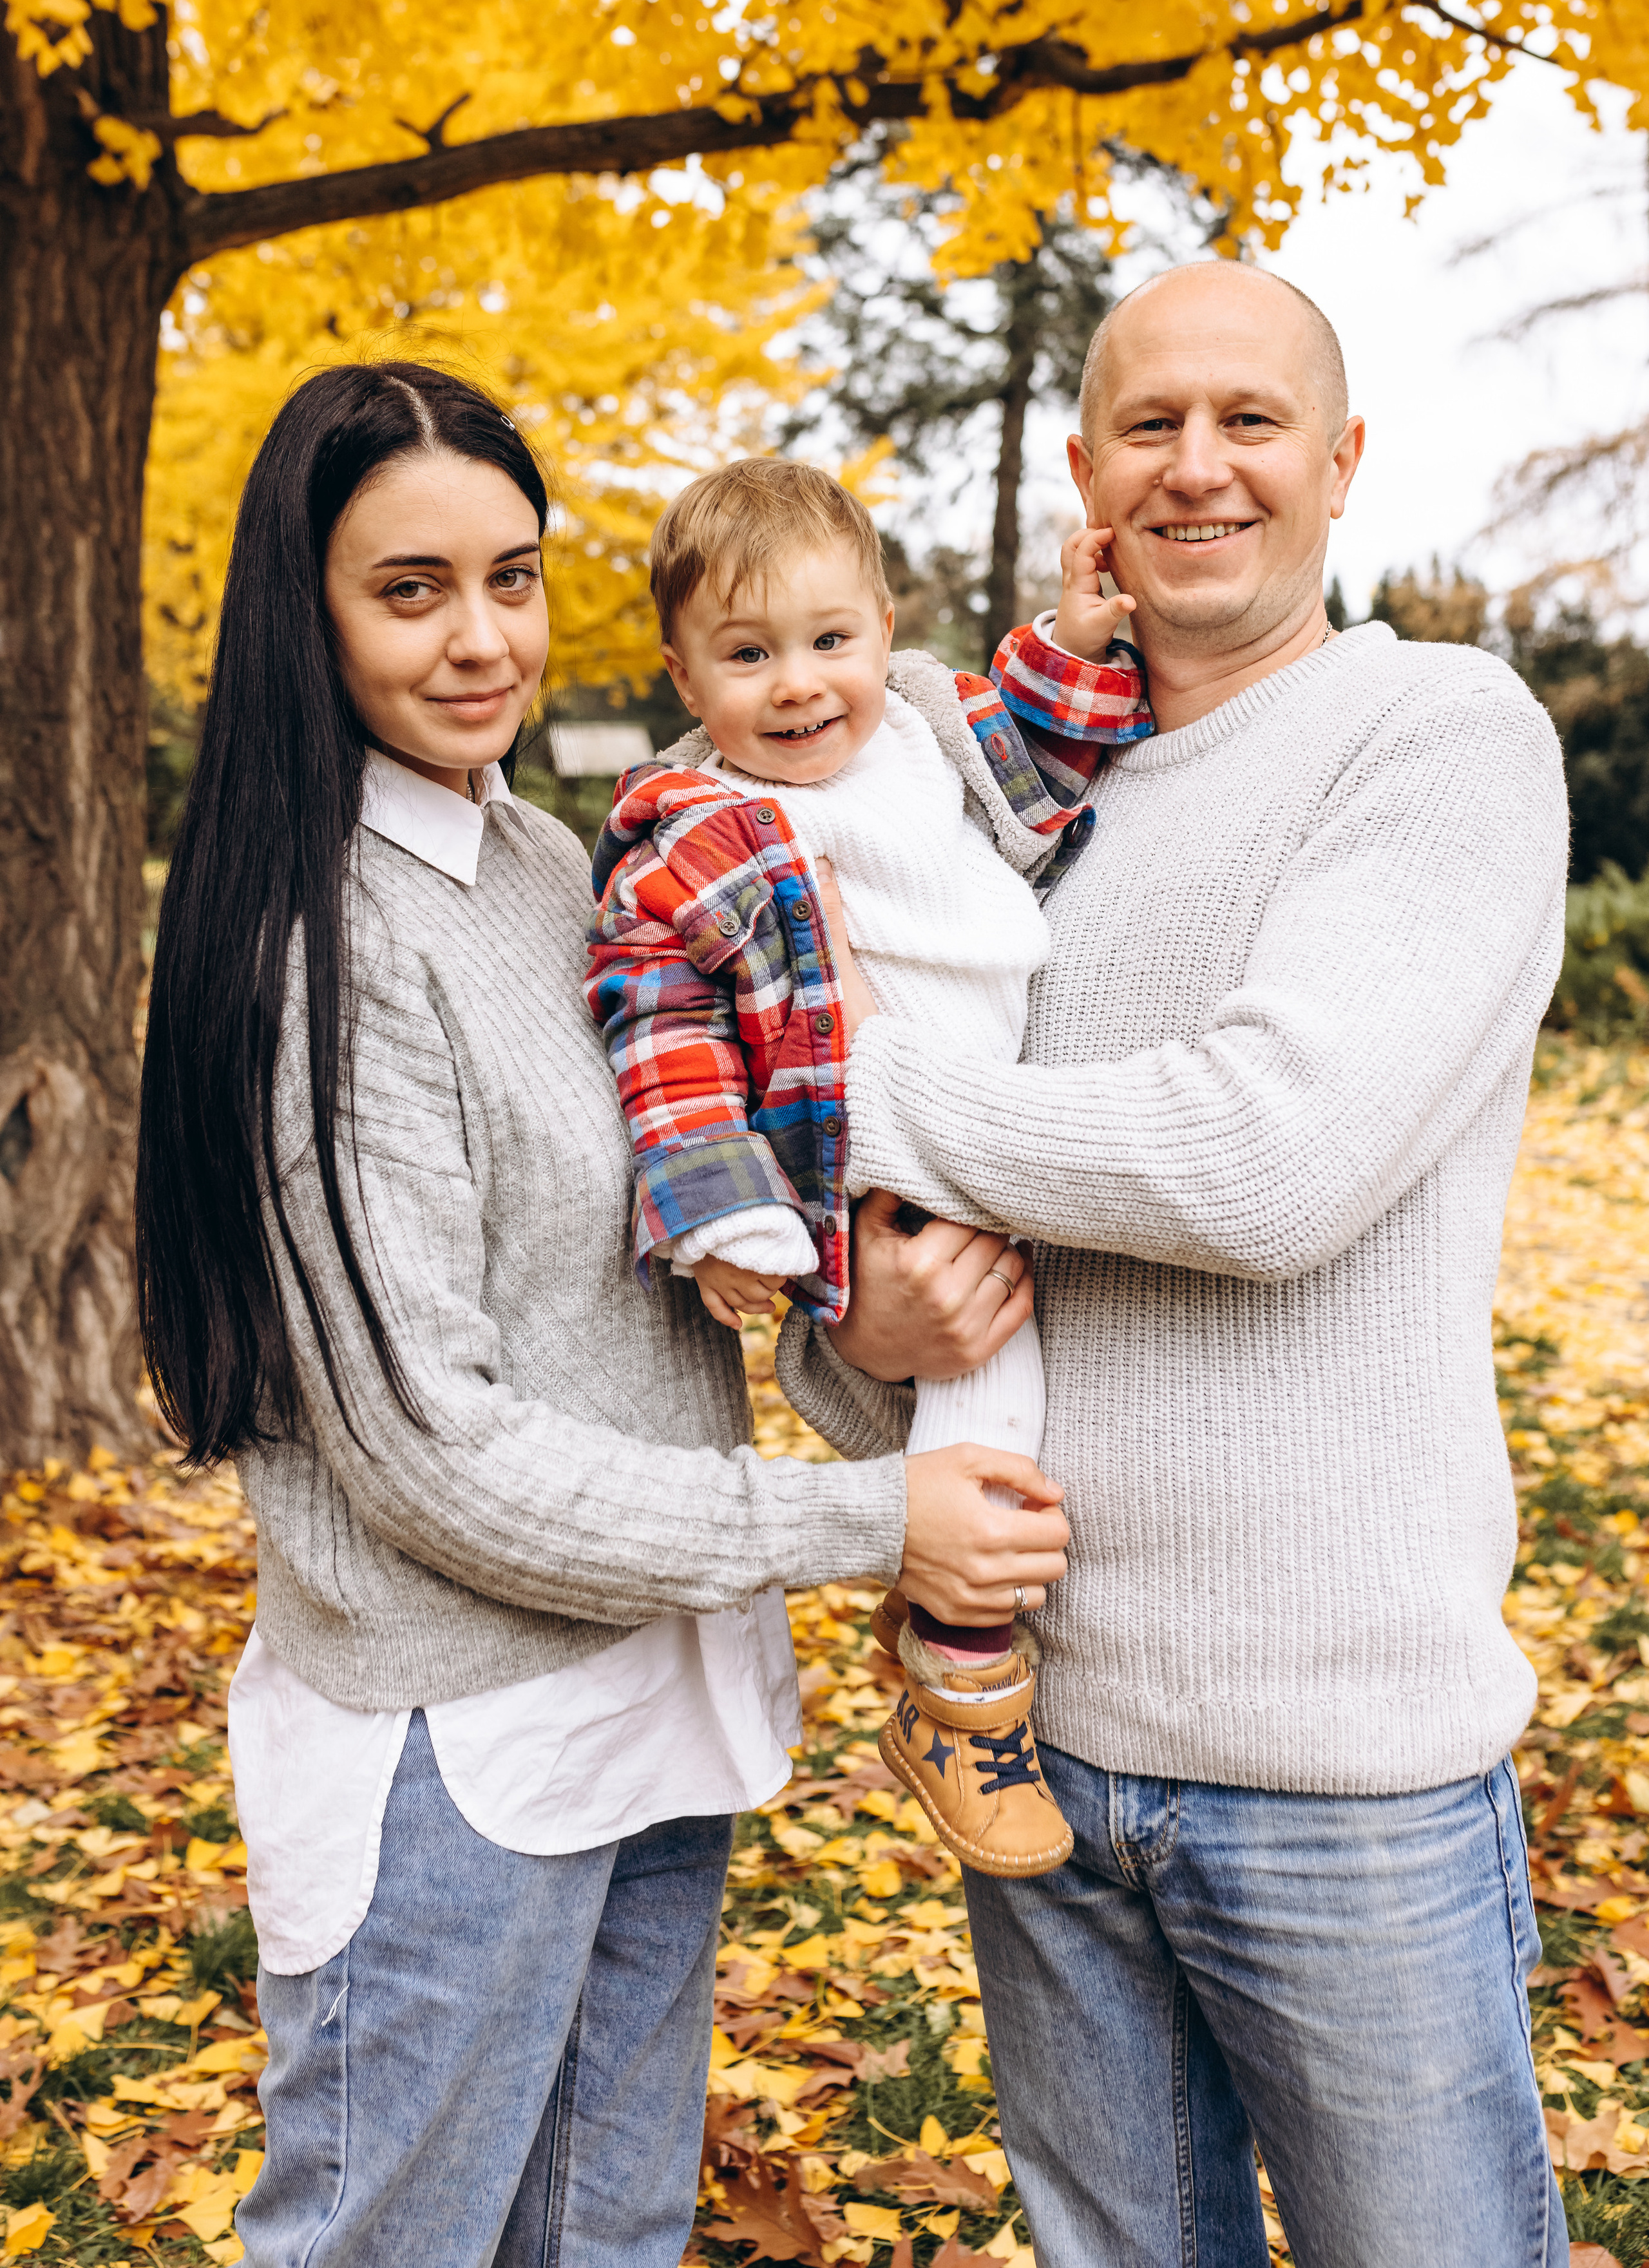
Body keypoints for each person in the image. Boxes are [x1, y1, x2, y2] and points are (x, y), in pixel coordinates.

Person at [133, 361, 1069, 2268]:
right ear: (304, 609)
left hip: (649, 1686)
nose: (483, 638)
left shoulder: (560, 860)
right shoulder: (325, 939)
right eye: (411, 588)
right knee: (394, 2238)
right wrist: (873, 1516)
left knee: (607, 2230)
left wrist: (856, 1338)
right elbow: (438, 1459)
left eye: (515, 574)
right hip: (456, 1747)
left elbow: (674, 1239)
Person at [777, 263, 1572, 2267]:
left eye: (1250, 420)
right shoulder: (1020, 812)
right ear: (1087, 472)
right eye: (1150, 426)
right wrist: (857, 1328)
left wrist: (865, 1102)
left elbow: (1263, 1158)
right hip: (1036, 1735)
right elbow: (912, 1305)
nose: (1199, 466)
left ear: (1342, 462)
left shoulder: (1436, 731)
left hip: (1340, 1770)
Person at [585, 459, 1151, 1876]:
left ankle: (945, 1629)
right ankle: (961, 1682)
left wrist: (1074, 642)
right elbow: (663, 1034)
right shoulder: (699, 832)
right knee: (991, 1387)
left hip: (992, 1112)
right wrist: (725, 1218)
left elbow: (1037, 763)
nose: (796, 685)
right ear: (682, 671)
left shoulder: (926, 731)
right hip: (874, 1145)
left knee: (1023, 1383)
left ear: (885, 627)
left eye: (829, 640)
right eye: (746, 653)